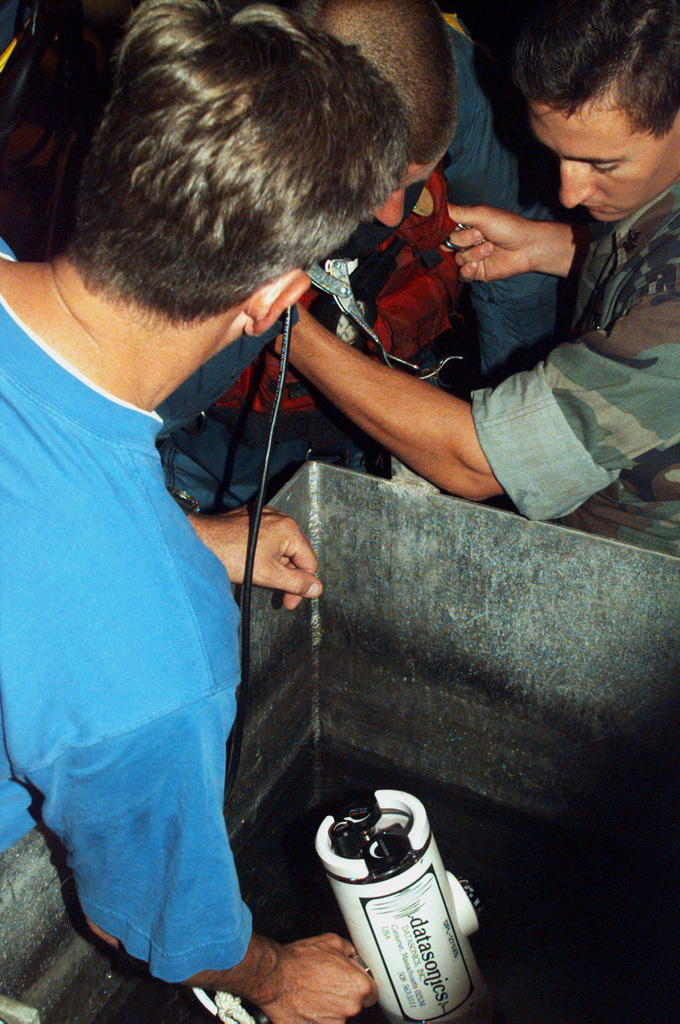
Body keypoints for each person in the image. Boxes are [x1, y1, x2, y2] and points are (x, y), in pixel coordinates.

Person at [0, 0, 410, 1018]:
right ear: (273, 301)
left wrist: (191, 537)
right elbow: (145, 920)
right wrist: (276, 975)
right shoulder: (153, 654)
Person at [283, 0, 680, 558]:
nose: (569, 194)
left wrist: (288, 332)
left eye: (603, 165)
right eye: (557, 156)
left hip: (640, 574)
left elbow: (478, 462)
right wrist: (558, 246)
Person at [160, 0, 561, 514]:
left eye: (412, 180)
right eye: (373, 183)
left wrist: (496, 402)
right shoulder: (207, 118)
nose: (393, 214)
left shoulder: (456, 86)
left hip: (395, 406)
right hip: (221, 448)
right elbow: (130, 395)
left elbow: (518, 291)